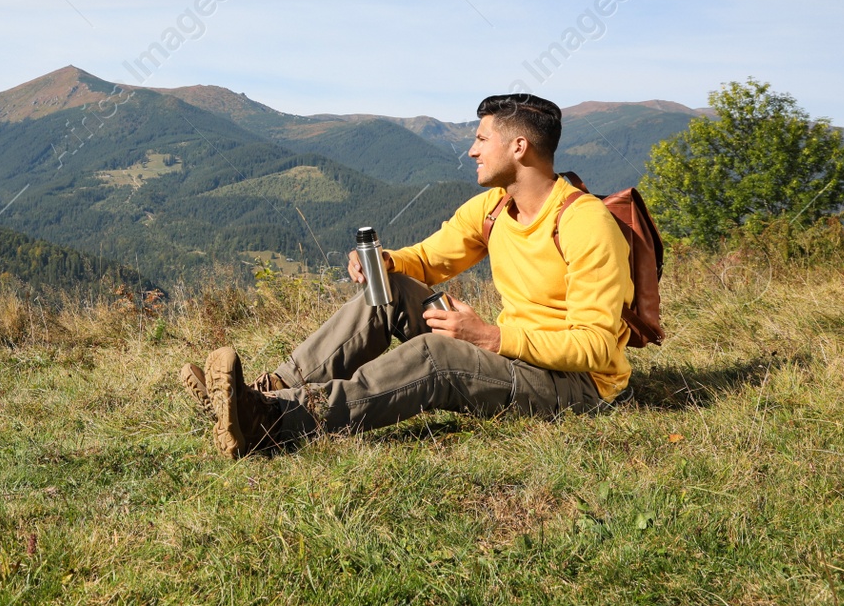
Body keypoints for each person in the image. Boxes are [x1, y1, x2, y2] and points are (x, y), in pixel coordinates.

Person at [180, 93, 634, 458]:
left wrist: (491, 339)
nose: (472, 149)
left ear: (519, 147)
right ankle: (264, 391)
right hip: (518, 355)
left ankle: (273, 421)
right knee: (390, 291)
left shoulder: (583, 222)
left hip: (577, 385)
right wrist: (386, 263)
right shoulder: (494, 209)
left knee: (437, 357)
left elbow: (595, 346)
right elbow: (429, 258)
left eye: (481, 139)